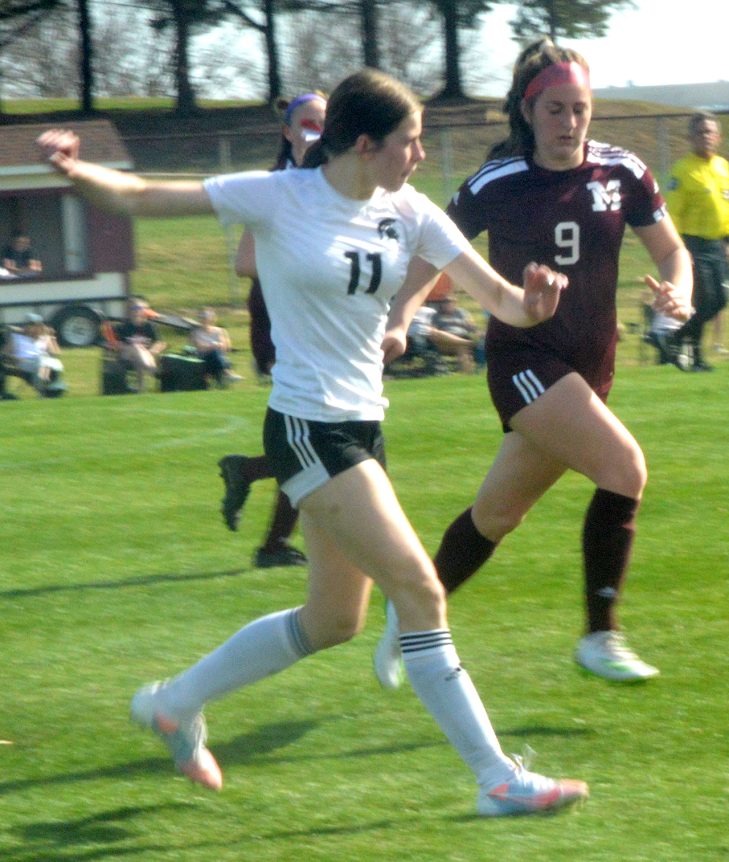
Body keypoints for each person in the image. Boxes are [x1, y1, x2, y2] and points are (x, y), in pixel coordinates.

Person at [37, 68, 589, 816]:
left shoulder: (411, 210)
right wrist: (73, 170)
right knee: (422, 591)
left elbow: (502, 302)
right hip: (304, 426)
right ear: (364, 144)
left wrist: (536, 303)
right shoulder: (283, 196)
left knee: (333, 622)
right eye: (410, 142)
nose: (420, 156)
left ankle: (172, 704)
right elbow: (140, 197)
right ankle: (497, 779)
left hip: (362, 424)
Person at [374, 38, 692, 688]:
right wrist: (401, 320)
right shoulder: (499, 182)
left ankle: (409, 614)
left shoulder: (622, 172)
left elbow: (672, 251)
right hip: (525, 361)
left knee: (496, 514)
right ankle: (600, 635)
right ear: (529, 110)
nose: (569, 122)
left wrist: (678, 292)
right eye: (554, 109)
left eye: (579, 108)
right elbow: (430, 254)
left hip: (590, 369)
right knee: (624, 467)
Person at [219, 91, 327, 569]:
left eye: (327, 123)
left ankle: (251, 481)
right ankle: (272, 541)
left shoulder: (332, 182)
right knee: (315, 440)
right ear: (288, 132)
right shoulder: (278, 185)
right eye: (308, 123)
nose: (318, 132)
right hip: (283, 320)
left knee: (315, 440)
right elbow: (245, 263)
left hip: (319, 324)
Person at [664, 111, 729, 372]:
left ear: (718, 137)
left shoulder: (723, 167)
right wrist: (679, 248)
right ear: (690, 138)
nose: (706, 137)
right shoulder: (683, 170)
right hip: (694, 244)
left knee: (721, 300)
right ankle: (695, 356)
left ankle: (675, 338)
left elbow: (728, 206)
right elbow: (673, 213)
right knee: (704, 301)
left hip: (718, 244)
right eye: (701, 132)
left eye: (710, 132)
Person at [112, 297, 166, 391]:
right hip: (127, 355)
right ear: (130, 311)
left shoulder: (149, 326)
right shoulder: (123, 327)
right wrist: (136, 348)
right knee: (136, 348)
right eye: (134, 308)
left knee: (138, 358)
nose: (137, 311)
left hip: (146, 356)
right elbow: (117, 344)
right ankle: (152, 371)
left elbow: (160, 343)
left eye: (139, 308)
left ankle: (140, 388)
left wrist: (151, 351)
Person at [6, 312, 64, 395]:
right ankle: (42, 389)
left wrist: (52, 337)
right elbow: (6, 353)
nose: (30, 327)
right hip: (24, 362)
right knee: (40, 363)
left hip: (44, 362)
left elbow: (56, 353)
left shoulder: (45, 338)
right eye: (29, 325)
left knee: (50, 364)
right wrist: (14, 358)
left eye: (34, 325)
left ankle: (53, 387)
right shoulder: (17, 338)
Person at [189, 307, 240, 386]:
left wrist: (218, 345)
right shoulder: (196, 332)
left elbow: (226, 346)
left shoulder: (219, 331)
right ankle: (227, 373)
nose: (204, 320)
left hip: (218, 355)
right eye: (202, 317)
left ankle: (225, 375)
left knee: (216, 353)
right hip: (203, 357)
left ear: (211, 318)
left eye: (206, 317)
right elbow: (200, 347)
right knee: (215, 352)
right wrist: (213, 346)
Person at [429, 294, 479, 373]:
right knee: (440, 333)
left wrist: (474, 328)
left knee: (461, 347)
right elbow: (433, 330)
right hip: (445, 342)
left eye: (451, 302)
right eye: (445, 302)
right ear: (441, 304)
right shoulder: (436, 316)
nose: (448, 304)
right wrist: (434, 331)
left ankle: (467, 373)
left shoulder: (462, 313)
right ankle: (469, 343)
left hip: (461, 338)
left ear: (455, 303)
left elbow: (472, 327)